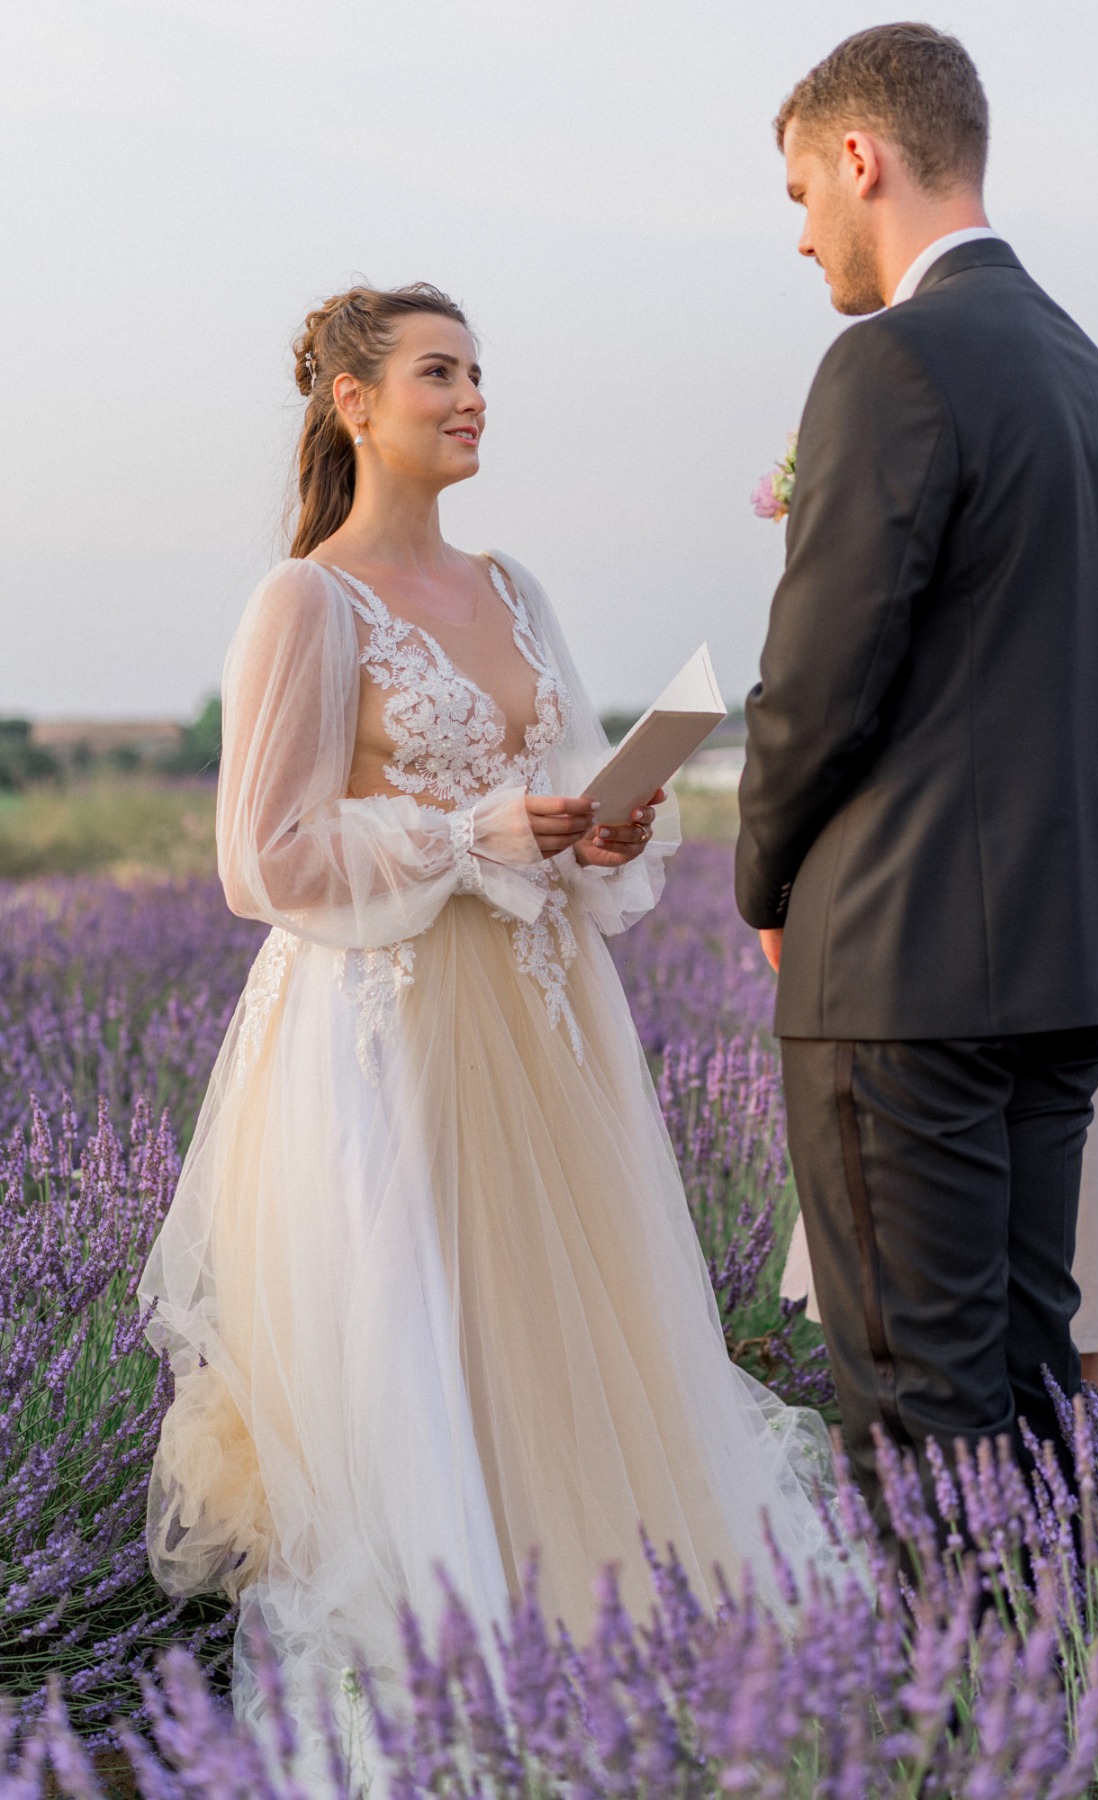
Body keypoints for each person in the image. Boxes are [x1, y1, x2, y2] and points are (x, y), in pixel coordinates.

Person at [138, 282, 842, 1784]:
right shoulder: (306, 603)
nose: (470, 398)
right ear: (352, 401)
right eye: (438, 372)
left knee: (574, 1338)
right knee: (431, 1349)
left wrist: (605, 828)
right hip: (386, 1041)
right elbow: (259, 861)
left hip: (545, 1031)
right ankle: (460, 1691)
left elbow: (567, 780)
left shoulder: (514, 584)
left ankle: (608, 1653)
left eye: (478, 373)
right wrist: (464, 833)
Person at [735, 24, 1098, 1533]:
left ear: (863, 158)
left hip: (909, 971)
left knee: (920, 1412)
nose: (803, 236)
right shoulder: (1085, 366)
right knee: (1028, 1384)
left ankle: (954, 1750)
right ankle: (1051, 1715)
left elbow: (820, 682)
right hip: (1068, 958)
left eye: (803, 192)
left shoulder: (892, 361)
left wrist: (765, 877)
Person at [781, 1032, 1098, 1409]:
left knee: (1067, 1339)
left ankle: (1085, 1461)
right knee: (912, 1333)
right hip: (926, 1033)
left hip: (1042, 1031)